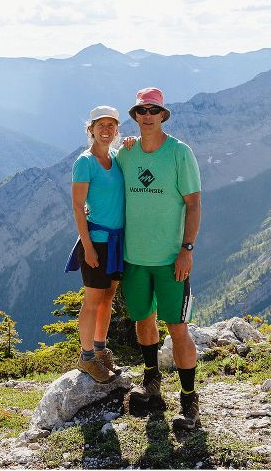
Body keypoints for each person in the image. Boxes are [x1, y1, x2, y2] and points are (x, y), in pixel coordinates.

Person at [116, 87, 202, 430]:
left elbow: (194, 203)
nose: (147, 115)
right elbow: (103, 169)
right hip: (134, 258)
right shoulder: (127, 154)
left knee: (177, 328)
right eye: (141, 110)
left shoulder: (180, 153)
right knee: (143, 320)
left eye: (153, 110)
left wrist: (187, 249)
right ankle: (152, 385)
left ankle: (189, 401)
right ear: (135, 116)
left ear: (162, 115)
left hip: (171, 259)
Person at [65, 105, 125, 383]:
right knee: (92, 301)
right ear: (90, 130)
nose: (106, 130)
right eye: (100, 125)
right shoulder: (85, 162)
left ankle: (101, 350)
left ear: (116, 130)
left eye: (111, 125)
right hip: (97, 242)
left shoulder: (116, 158)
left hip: (115, 242)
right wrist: (87, 247)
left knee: (108, 297)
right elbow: (78, 207)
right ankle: (86, 357)